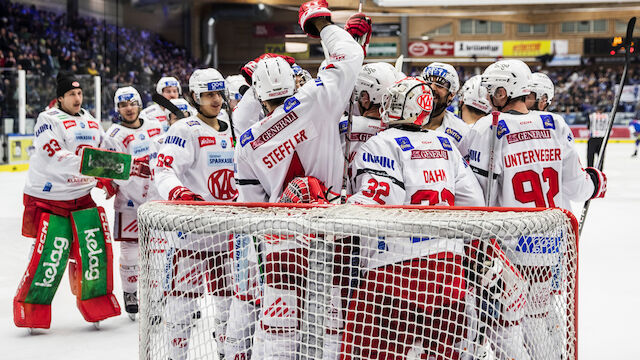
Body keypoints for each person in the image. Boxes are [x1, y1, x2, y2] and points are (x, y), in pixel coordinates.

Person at [233, 1, 366, 357]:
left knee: (278, 332)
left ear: (258, 93)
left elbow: (251, 207)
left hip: (281, 241)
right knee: (332, 329)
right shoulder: (316, 99)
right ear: (294, 82)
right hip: (333, 232)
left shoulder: (247, 143)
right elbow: (349, 56)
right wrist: (323, 26)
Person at [460, 59, 607, 359]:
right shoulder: (555, 124)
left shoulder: (489, 127)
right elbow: (578, 187)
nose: (488, 96)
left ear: (502, 93)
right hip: (550, 247)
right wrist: (596, 182)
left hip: (508, 250)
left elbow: (476, 198)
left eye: (491, 90)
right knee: (539, 319)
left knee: (504, 327)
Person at [345, 77, 484, 359]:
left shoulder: (380, 143)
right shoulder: (446, 145)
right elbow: (474, 203)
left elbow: (381, 203)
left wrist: (336, 208)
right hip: (448, 271)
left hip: (393, 272)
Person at [14, 73, 121, 330]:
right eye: (71, 94)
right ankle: (32, 311)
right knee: (48, 256)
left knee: (94, 251)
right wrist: (97, 168)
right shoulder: (47, 119)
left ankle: (96, 305)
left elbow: (108, 148)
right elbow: (55, 156)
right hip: (50, 197)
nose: (77, 98)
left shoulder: (90, 119)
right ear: (60, 97)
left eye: (79, 93)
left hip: (81, 196)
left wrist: (112, 170)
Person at [154, 68, 237, 360]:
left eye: (219, 94)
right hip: (190, 234)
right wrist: (178, 192)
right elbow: (163, 169)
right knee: (181, 307)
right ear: (195, 97)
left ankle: (227, 352)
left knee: (229, 306)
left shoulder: (233, 126)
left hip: (227, 234)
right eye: (209, 95)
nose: (216, 100)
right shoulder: (184, 130)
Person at [102, 86, 163, 320]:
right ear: (118, 109)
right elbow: (111, 170)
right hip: (128, 202)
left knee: (157, 253)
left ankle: (155, 300)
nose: (129, 108)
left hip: (155, 201)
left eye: (132, 103)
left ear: (139, 104)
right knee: (130, 252)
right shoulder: (113, 135)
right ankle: (130, 292)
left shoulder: (155, 126)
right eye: (123, 105)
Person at [421, 62, 469, 147]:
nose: (432, 88)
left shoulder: (461, 131)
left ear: (451, 94)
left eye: (440, 85)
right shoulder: (404, 121)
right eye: (428, 83)